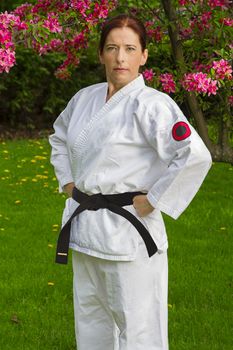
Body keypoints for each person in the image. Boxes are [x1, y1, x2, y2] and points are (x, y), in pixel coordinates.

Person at [49, 14, 212, 350]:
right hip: (85, 232)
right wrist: (67, 181)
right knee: (92, 324)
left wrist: (155, 199)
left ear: (144, 55)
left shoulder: (153, 105)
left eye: (129, 48)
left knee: (140, 332)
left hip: (129, 236)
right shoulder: (84, 99)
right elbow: (59, 137)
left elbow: (194, 155)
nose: (120, 57)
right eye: (112, 48)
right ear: (100, 54)